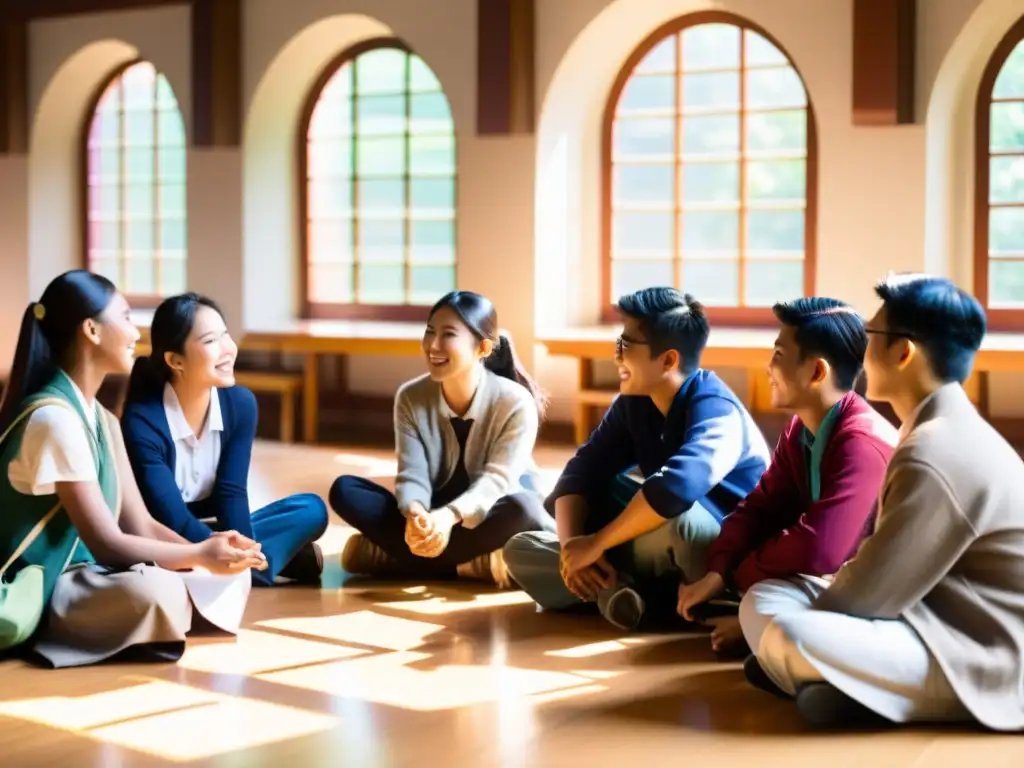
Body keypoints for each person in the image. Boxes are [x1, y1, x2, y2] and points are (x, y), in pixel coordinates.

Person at [739, 273, 1024, 731]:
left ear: (903, 351)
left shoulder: (936, 449)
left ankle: (835, 681)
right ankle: (836, 684)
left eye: (871, 336)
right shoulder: (939, 427)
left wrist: (785, 639)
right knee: (766, 598)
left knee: (790, 632)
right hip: (932, 616)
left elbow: (865, 598)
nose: (862, 352)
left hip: (983, 654)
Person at [0, 271, 265, 668]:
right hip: (39, 580)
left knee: (182, 582)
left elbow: (139, 523)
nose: (135, 331)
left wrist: (208, 555)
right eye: (125, 317)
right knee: (157, 592)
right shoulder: (55, 420)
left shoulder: (103, 419)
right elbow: (107, 542)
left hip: (84, 572)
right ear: (91, 329)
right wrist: (198, 552)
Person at [503, 287, 771, 630]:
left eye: (625, 347)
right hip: (653, 547)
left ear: (669, 360)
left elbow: (677, 487)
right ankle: (626, 594)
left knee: (681, 518)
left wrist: (596, 544)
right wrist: (573, 551)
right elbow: (581, 471)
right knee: (522, 549)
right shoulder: (635, 403)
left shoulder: (718, 410)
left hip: (716, 552)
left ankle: (637, 596)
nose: (616, 357)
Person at [676, 298, 897, 655]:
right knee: (709, 555)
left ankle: (765, 639)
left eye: (778, 355)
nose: (768, 367)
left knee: (759, 602)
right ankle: (763, 636)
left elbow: (819, 549)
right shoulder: (801, 429)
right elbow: (760, 506)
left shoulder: (862, 442)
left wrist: (739, 575)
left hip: (876, 597)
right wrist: (719, 570)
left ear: (817, 372)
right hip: (828, 586)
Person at [329, 290, 552, 587]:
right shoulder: (411, 397)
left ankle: (398, 559)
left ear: (483, 348)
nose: (433, 345)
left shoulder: (515, 402)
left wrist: (447, 519)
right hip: (437, 511)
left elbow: (497, 483)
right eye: (429, 332)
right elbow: (413, 474)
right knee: (345, 490)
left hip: (492, 509)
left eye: (448, 335)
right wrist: (416, 513)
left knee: (524, 509)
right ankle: (474, 563)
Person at [121, 293, 329, 587]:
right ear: (175, 360)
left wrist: (239, 548)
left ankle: (244, 567)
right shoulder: (144, 421)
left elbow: (231, 493)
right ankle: (270, 561)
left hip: (214, 530)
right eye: (210, 341)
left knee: (311, 509)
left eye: (225, 335)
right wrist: (215, 552)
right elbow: (171, 518)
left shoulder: (240, 404)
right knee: (157, 561)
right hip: (164, 535)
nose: (228, 349)